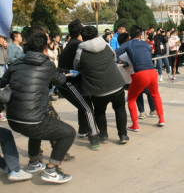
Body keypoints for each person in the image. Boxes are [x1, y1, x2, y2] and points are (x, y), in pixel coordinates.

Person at [1, 33, 75, 183]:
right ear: (45, 49)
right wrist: (65, 74)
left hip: (13, 120)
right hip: (33, 121)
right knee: (69, 132)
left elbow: (3, 82)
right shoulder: (47, 64)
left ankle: (34, 162)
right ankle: (51, 170)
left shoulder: (16, 63)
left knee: (36, 126)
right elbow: (60, 80)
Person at [73, 25, 128, 145]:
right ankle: (123, 135)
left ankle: (103, 136)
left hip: (97, 89)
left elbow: (76, 66)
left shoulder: (80, 50)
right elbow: (114, 58)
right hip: (116, 85)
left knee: (99, 112)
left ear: (82, 37)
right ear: (97, 35)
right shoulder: (106, 45)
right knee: (120, 110)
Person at [58, 20, 100, 150]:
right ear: (80, 31)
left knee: (83, 104)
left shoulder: (73, 43)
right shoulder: (78, 45)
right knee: (87, 107)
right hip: (68, 82)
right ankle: (94, 137)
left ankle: (82, 130)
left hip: (73, 81)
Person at [116, 25, 165, 130]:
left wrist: (118, 60)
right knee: (156, 95)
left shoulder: (129, 44)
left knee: (131, 99)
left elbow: (115, 52)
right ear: (141, 36)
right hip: (153, 72)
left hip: (140, 74)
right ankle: (161, 119)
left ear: (130, 36)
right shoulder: (146, 44)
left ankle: (135, 124)